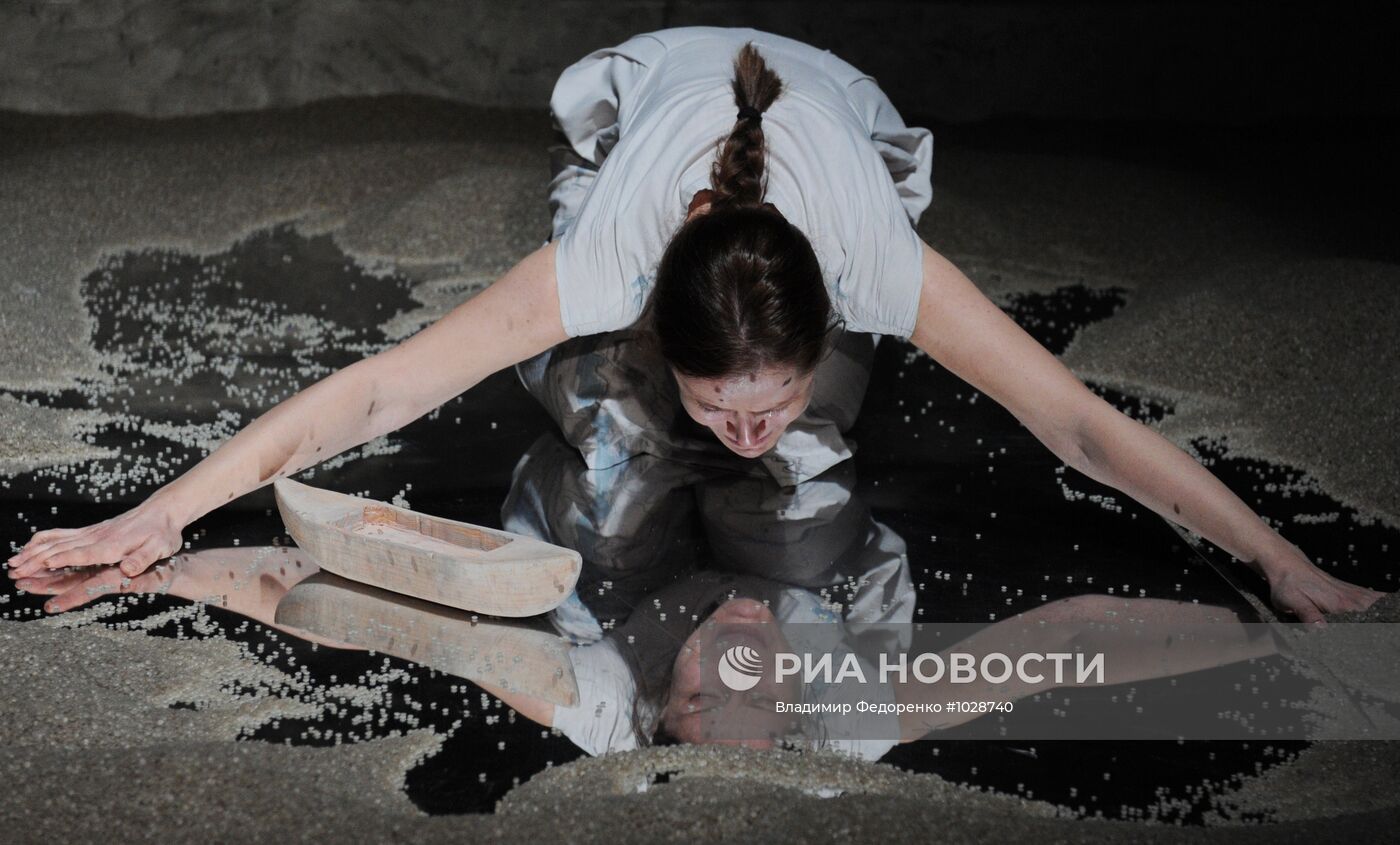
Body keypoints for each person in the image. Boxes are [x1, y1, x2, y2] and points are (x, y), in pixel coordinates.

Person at [6, 26, 1382, 624]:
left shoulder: (874, 259)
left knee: (809, 479)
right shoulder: (612, 254)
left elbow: (1077, 421)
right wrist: (159, 517)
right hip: (661, 112)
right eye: (720, 400)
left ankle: (778, 403)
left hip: (822, 106)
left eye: (764, 399)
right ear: (660, 331)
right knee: (611, 463)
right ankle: (650, 400)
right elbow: (377, 392)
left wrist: (1279, 559)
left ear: (828, 328)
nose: (742, 427)